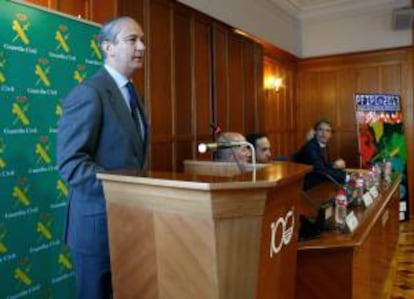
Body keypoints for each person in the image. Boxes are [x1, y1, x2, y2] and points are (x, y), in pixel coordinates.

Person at [57, 16, 148, 299]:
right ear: (108, 47)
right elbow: (71, 163)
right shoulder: (89, 92)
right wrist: (122, 192)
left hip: (129, 224)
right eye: (132, 40)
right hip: (97, 230)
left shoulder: (133, 94)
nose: (142, 47)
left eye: (142, 40)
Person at [293, 119, 348, 190]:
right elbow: (320, 170)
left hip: (319, 181)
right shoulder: (310, 147)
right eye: (320, 130)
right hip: (307, 186)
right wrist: (346, 177)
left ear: (331, 134)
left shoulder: (324, 146)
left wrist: (340, 170)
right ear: (315, 132)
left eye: (327, 131)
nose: (324, 134)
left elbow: (325, 166)